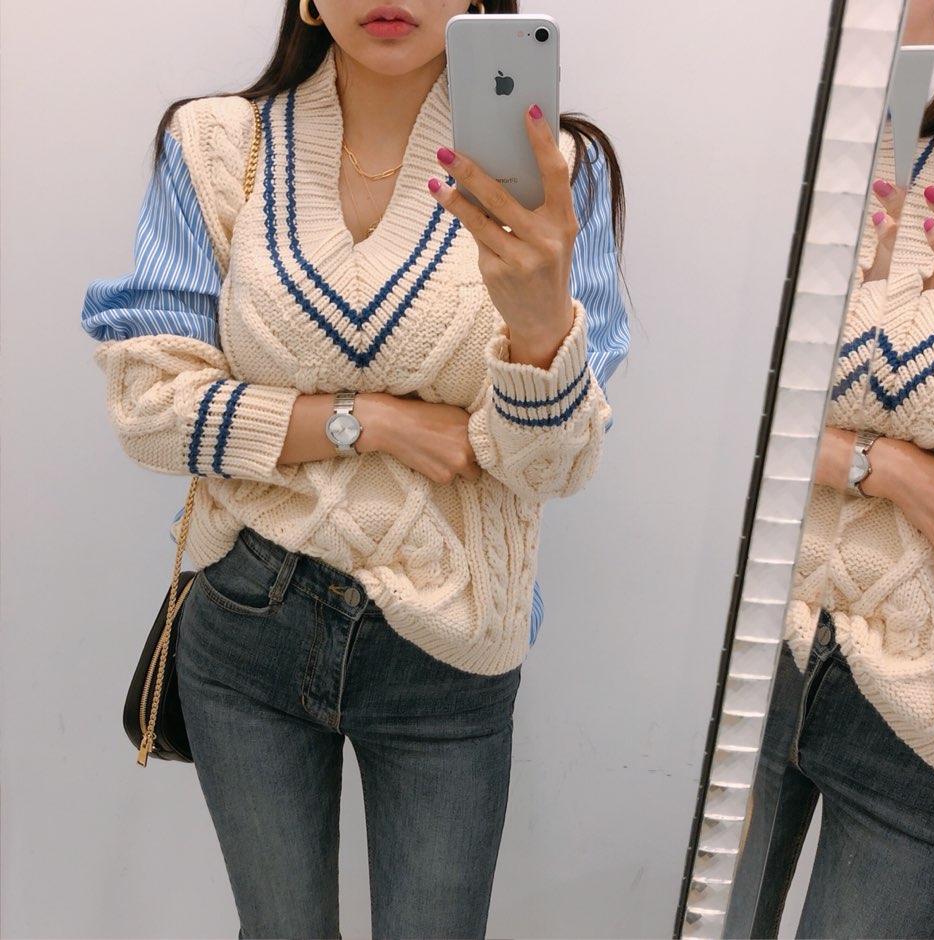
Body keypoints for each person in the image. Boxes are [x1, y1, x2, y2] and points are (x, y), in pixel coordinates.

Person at [80, 2, 629, 937]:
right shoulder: (216, 145)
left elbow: (549, 468)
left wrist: (541, 330)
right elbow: (150, 409)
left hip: (452, 643)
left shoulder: (560, 171)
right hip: (247, 616)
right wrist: (371, 422)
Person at [724, 6, 934, 935]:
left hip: (933, 713)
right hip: (763, 648)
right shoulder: (854, 160)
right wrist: (886, 466)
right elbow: (736, 411)